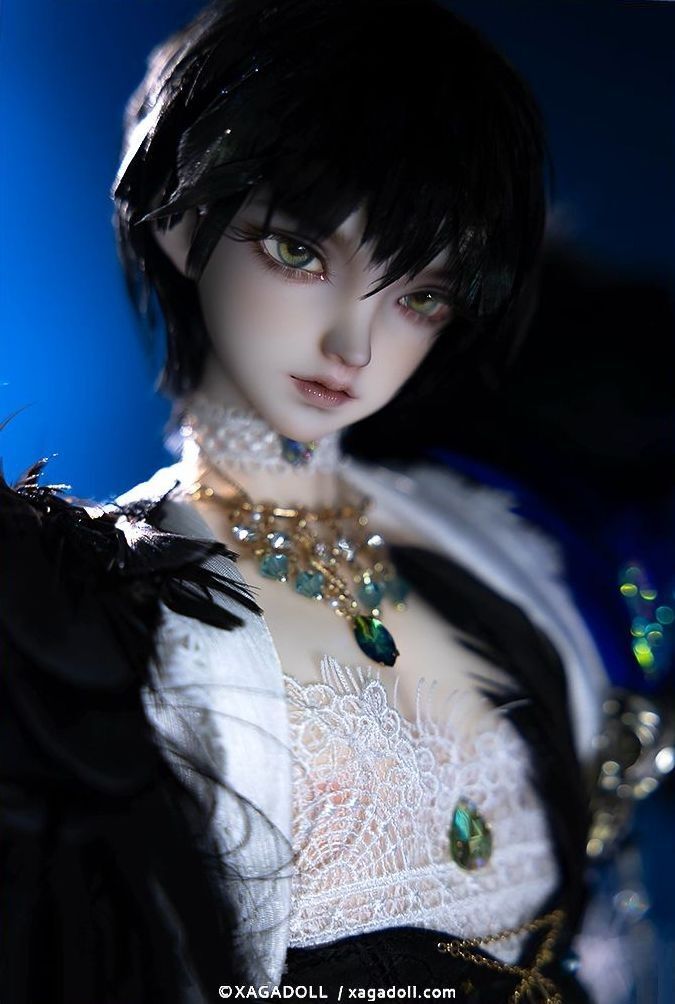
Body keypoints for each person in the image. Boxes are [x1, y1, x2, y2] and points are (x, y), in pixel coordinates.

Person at [1, 0, 612, 1000]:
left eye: (419, 294)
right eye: (300, 252)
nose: (353, 346)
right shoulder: (91, 613)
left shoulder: (491, 546)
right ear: (179, 216)